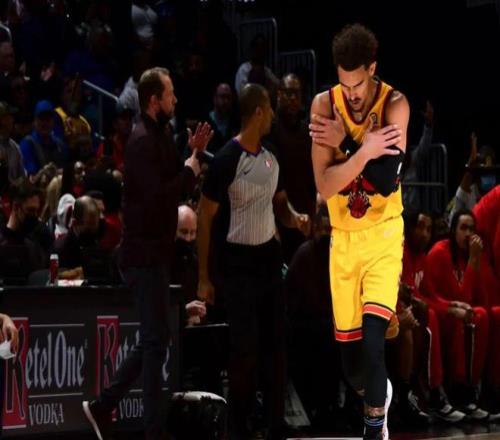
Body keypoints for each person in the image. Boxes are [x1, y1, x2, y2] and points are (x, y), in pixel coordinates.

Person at [82, 67, 212, 440]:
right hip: (142, 255)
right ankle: (150, 429)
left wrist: (193, 154)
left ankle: (104, 406)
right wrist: (190, 169)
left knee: (155, 339)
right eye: (170, 94)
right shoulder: (141, 141)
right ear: (155, 100)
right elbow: (161, 197)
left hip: (155, 253)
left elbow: (173, 179)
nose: (175, 100)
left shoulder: (160, 135)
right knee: (155, 341)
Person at [309, 23, 409, 440]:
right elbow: (324, 184)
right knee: (353, 366)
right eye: (344, 84)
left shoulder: (395, 105)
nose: (351, 94)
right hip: (344, 240)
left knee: (372, 342)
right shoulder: (323, 104)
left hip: (384, 234)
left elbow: (385, 181)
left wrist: (349, 148)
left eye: (358, 83)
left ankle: (374, 429)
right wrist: (367, 150)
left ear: (372, 69)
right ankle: (378, 395)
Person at [197, 83, 310, 440]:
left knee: (277, 346)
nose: (274, 115)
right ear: (258, 112)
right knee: (244, 351)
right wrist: (204, 277)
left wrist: (296, 219)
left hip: (268, 260)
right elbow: (204, 217)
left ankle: (276, 425)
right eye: (270, 109)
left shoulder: (271, 156)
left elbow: (280, 205)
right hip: (237, 264)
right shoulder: (227, 159)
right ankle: (239, 426)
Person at [422, 210, 499, 420]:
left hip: (458, 315)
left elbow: (479, 297)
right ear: (453, 230)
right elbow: (460, 296)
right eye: (463, 228)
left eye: (472, 229)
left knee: (487, 315)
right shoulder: (440, 253)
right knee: (473, 317)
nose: (468, 234)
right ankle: (462, 393)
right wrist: (474, 260)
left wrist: (475, 261)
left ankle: (482, 390)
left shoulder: (472, 255)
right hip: (441, 315)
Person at [19, 100, 65, 176]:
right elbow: (31, 175)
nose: (45, 123)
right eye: (41, 119)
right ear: (35, 121)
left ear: (53, 121)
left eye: (48, 119)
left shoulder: (59, 145)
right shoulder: (27, 144)